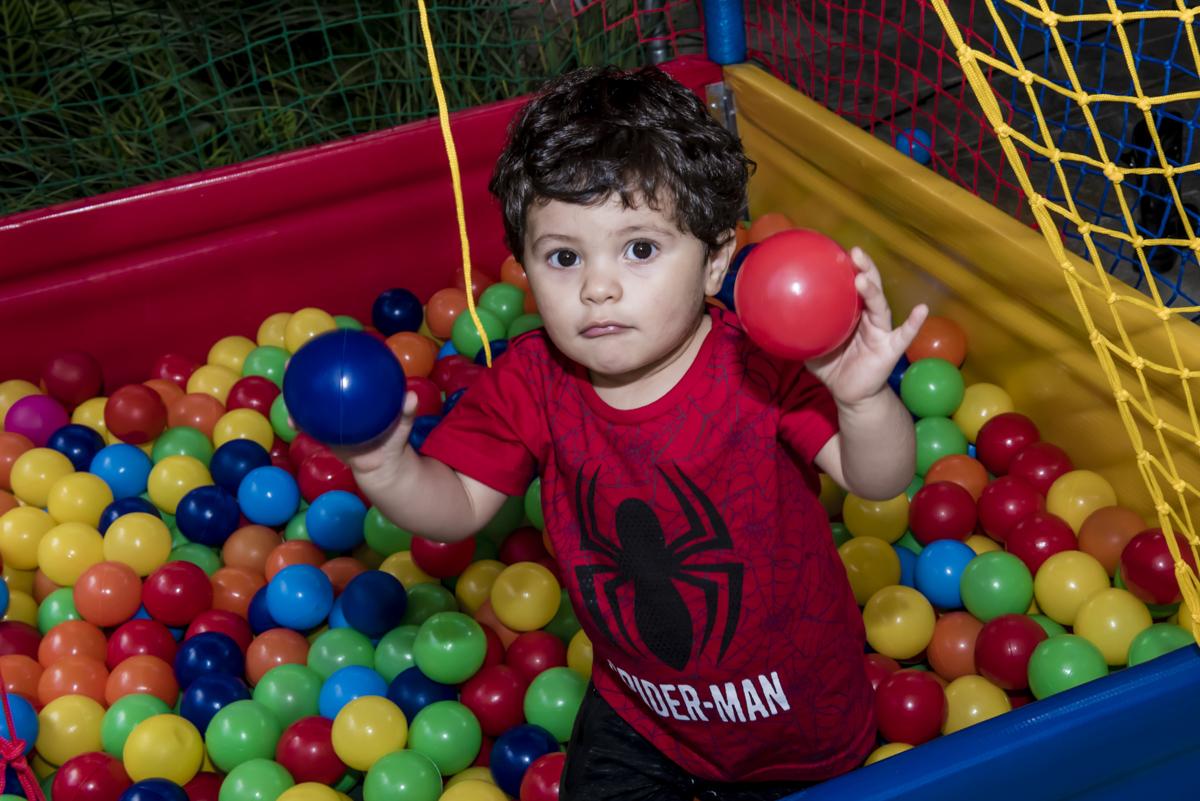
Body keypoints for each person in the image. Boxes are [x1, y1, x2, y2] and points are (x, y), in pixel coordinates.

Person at [335, 65, 927, 800]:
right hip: (643, 720)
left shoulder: (757, 360)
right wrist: (384, 464)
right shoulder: (531, 380)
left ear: (715, 261)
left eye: (640, 249)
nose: (598, 286)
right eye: (563, 257)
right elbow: (457, 505)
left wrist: (863, 399)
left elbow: (879, 478)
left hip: (798, 717)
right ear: (522, 266)